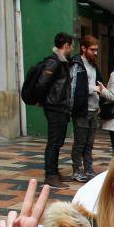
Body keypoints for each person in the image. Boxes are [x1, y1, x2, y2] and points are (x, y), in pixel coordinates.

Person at [36, 32, 74, 189]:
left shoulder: (61, 61)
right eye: (71, 45)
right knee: (54, 142)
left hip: (59, 106)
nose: (72, 48)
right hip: (55, 107)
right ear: (66, 45)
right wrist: (44, 100)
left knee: (57, 142)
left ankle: (54, 172)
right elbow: (42, 83)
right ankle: (50, 175)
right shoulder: (54, 62)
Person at [69, 35, 104, 182]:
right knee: (80, 142)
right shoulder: (76, 64)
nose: (95, 52)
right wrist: (94, 88)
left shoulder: (93, 64)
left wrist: (99, 103)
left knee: (89, 143)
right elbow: (74, 86)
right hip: (81, 110)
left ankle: (89, 169)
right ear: (83, 48)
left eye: (97, 50)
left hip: (93, 109)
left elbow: (98, 83)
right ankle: (77, 170)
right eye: (93, 49)